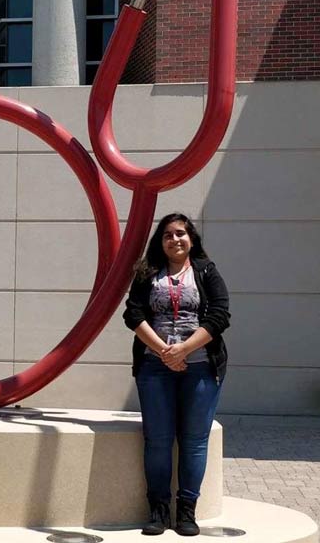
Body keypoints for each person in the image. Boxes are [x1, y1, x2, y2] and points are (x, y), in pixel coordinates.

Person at [123, 213, 230, 536]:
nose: (175, 239)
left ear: (192, 239)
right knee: (158, 440)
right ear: (161, 241)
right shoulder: (146, 272)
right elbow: (133, 313)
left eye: (181, 233)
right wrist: (163, 352)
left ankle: (186, 511)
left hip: (200, 367)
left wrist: (183, 350)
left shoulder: (206, 271)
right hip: (155, 367)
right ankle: (157, 510)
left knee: (194, 441)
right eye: (168, 235)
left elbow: (220, 315)